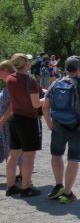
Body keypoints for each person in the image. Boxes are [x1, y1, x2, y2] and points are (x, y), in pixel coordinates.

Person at [42, 56, 80, 204]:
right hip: (77, 126)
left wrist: (49, 124)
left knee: (56, 154)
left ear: (65, 69)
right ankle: (67, 193)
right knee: (73, 158)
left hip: (58, 125)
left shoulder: (56, 83)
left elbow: (45, 107)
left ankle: (58, 185)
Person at [5, 53, 44, 197]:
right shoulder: (30, 81)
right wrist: (47, 98)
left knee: (13, 154)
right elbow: (35, 104)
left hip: (14, 119)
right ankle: (26, 188)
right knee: (29, 156)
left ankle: (10, 187)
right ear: (26, 63)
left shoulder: (9, 79)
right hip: (28, 121)